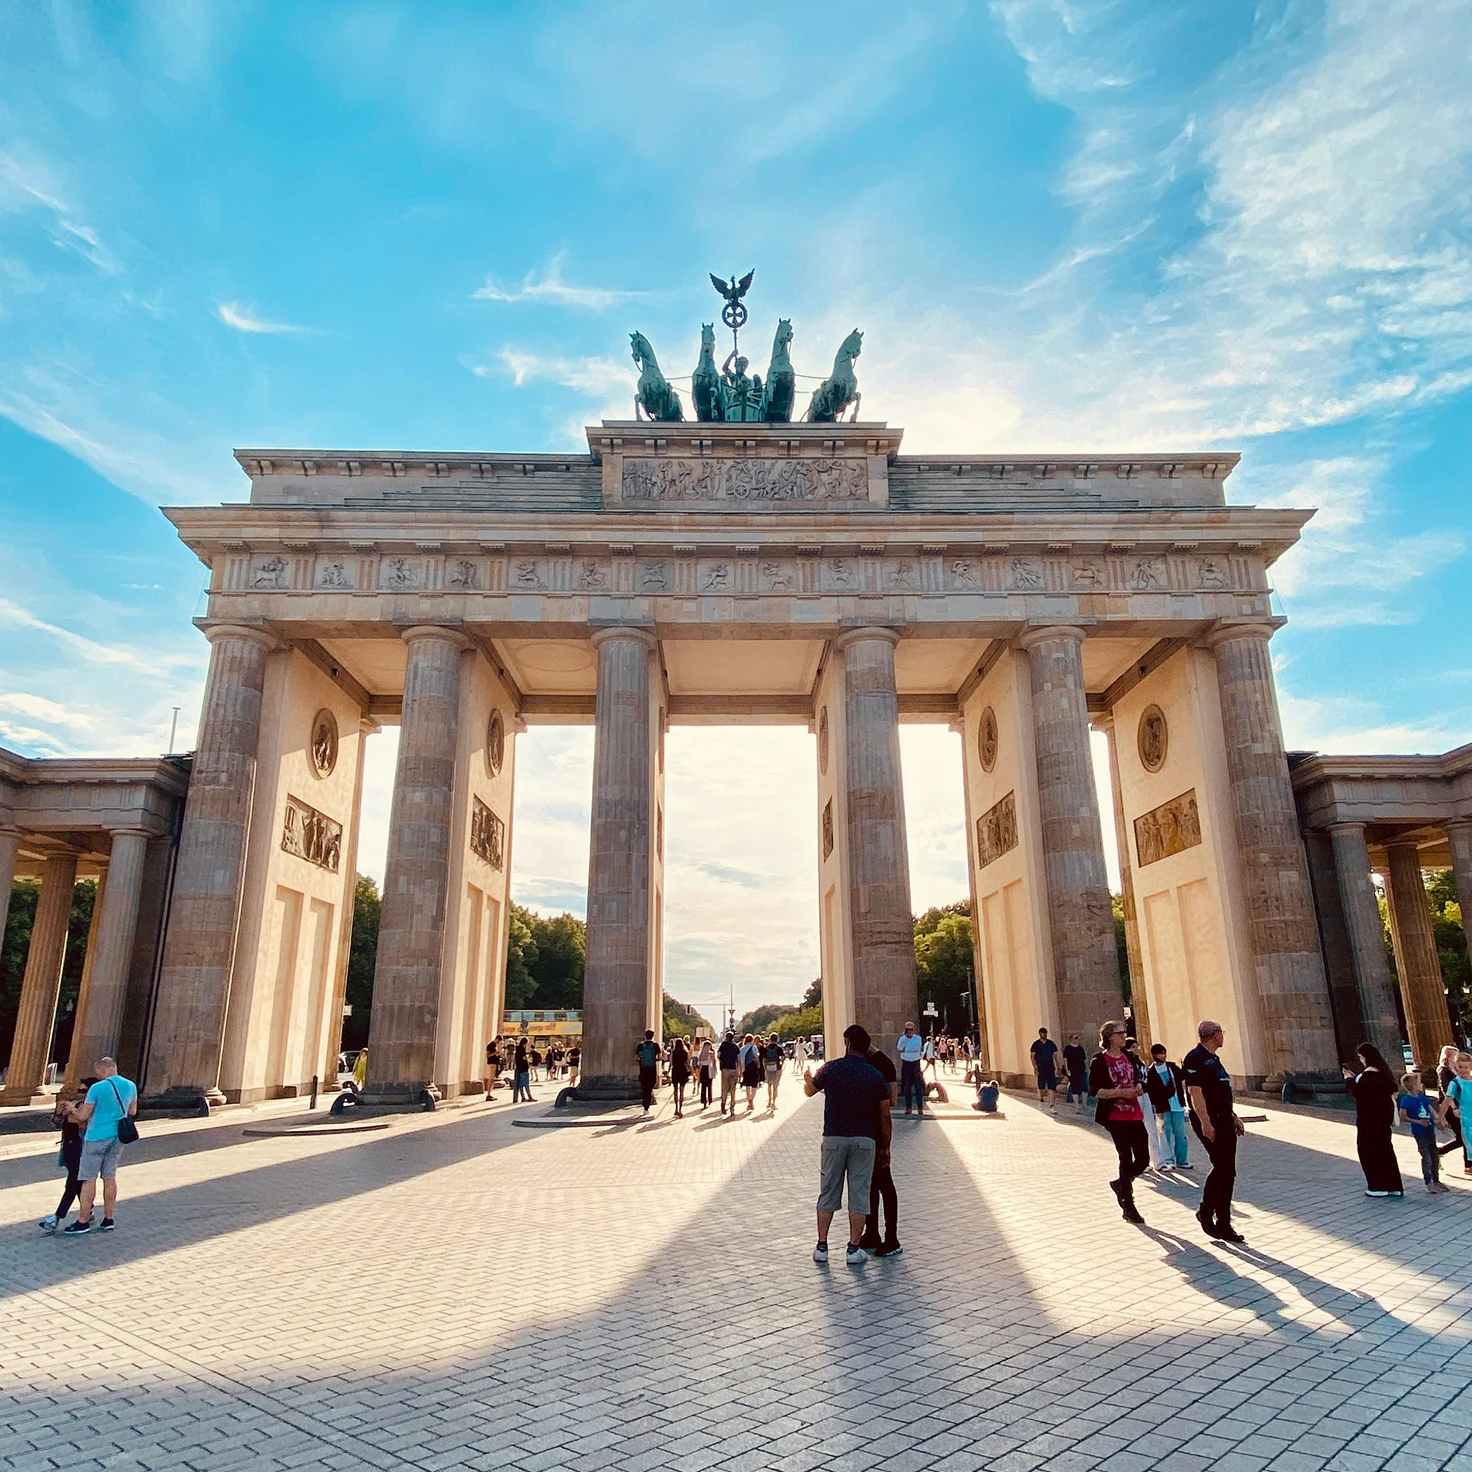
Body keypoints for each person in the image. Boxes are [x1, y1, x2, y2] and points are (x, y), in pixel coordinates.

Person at [803, 1024, 891, 1266]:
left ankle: (822, 1245)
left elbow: (810, 1091)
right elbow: (885, 1115)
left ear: (848, 1044)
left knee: (828, 1190)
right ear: (867, 1047)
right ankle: (853, 1248)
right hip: (865, 1140)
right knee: (860, 1193)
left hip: (834, 1138)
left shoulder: (832, 1068)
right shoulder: (875, 1075)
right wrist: (886, 1148)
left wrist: (809, 1079)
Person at [1183, 1019, 1246, 1241]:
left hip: (1224, 1120)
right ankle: (1209, 1213)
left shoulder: (1214, 1059)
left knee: (1227, 1171)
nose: (1223, 1036)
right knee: (1223, 1168)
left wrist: (1233, 1116)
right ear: (1215, 1034)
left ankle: (1221, 1220)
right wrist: (1205, 1123)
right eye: (1222, 1032)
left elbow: (1220, 1094)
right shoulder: (1195, 1058)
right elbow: (1195, 1093)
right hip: (1210, 1121)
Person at [61, 1058, 137, 1235]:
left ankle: (83, 1221)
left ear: (102, 1071)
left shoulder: (97, 1088)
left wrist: (72, 1108)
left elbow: (83, 1116)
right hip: (117, 1137)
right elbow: (132, 1112)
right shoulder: (130, 1085)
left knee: (89, 1179)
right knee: (110, 1177)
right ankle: (108, 1219)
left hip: (96, 1136)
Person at [1088, 1022, 1149, 1224]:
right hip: (1115, 1116)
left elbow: (1140, 1076)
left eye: (1124, 1033)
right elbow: (1096, 1091)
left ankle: (1120, 1184)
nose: (1124, 1036)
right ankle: (1128, 1205)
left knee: (1143, 1159)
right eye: (1120, 1033)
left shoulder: (1129, 1056)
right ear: (1109, 1037)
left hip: (1134, 1113)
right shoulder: (1099, 1061)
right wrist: (1122, 1093)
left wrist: (1139, 1086)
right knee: (1125, 1156)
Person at [857, 1037, 902, 1258]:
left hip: (878, 1131)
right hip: (867, 1131)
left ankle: (892, 1238)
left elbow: (892, 1100)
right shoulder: (871, 1063)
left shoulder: (883, 1063)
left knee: (884, 1184)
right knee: (870, 1185)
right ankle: (871, 1232)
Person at [1344, 1043, 1404, 1197]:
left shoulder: (1369, 1075)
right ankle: (1394, 1186)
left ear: (1366, 1057)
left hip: (1369, 1118)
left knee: (1369, 1151)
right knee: (1386, 1151)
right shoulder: (1384, 1073)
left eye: (1361, 1056)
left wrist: (1349, 1079)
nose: (1361, 1059)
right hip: (1383, 1118)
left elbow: (1359, 1093)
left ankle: (1377, 1186)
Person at [39, 1076, 97, 1233]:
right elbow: (57, 1123)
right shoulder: (76, 1105)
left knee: (72, 1184)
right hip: (70, 1150)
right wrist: (58, 1112)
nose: (81, 1094)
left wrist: (73, 1112)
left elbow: (85, 1124)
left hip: (84, 1150)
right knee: (76, 1182)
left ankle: (56, 1217)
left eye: (85, 1091)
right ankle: (88, 1210)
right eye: (80, 1090)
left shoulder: (93, 1108)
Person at [1398, 1072, 1448, 1194]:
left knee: (1434, 1155)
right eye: (1419, 1082)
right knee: (1426, 1156)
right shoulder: (1406, 1100)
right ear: (1414, 1085)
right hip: (1419, 1131)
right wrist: (1418, 1122)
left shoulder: (1421, 1097)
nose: (1421, 1084)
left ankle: (1436, 1180)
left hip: (1429, 1129)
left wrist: (1438, 1120)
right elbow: (1403, 1116)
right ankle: (1428, 1181)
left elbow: (1430, 1109)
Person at [1144, 1044, 1192, 1171]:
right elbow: (1151, 1092)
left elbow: (1182, 1076)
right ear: (1154, 1055)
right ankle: (1167, 1160)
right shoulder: (1151, 1072)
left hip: (1177, 1105)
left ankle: (1182, 1160)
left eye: (1164, 1052)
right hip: (1161, 1108)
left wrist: (1184, 1067)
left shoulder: (1171, 1066)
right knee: (1163, 1135)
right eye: (1160, 1053)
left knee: (1180, 1134)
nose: (1163, 1055)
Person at [1126, 1039, 1162, 1169]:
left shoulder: (1141, 1062)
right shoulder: (1127, 1062)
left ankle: (1157, 1161)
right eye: (1133, 1047)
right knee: (1137, 1130)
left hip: (1145, 1095)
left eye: (1137, 1046)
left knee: (1151, 1128)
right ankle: (1139, 1161)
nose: (1137, 1049)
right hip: (1134, 1096)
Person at [1436, 1045, 1471, 1173]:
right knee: (1463, 1137)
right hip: (1452, 1109)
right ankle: (1468, 1165)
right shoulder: (1444, 1070)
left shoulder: (1456, 1070)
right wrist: (1454, 1108)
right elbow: (1446, 1092)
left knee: (1464, 1137)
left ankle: (1440, 1151)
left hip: (1463, 1107)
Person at [896, 1022, 925, 1116]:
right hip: (906, 1062)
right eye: (907, 1030)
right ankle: (908, 1107)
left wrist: (906, 1049)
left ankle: (920, 1107)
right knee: (907, 1086)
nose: (909, 1032)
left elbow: (916, 1048)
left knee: (917, 1086)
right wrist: (906, 1046)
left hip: (915, 1063)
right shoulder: (902, 1038)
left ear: (914, 1030)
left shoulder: (918, 1038)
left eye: (911, 1030)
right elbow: (899, 1047)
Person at [1030, 1027, 1059, 1114]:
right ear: (1040, 1034)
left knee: (1052, 1086)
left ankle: (1052, 1105)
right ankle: (1040, 1098)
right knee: (1041, 1086)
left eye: (1045, 1033)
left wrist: (1058, 1066)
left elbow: (1056, 1055)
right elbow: (1032, 1057)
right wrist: (1035, 1067)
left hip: (1050, 1067)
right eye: (1042, 1033)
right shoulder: (1036, 1044)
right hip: (1041, 1067)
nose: (1044, 1034)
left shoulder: (1051, 1044)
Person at [635, 1030, 661, 1112]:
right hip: (652, 1069)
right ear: (653, 1036)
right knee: (650, 1087)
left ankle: (644, 1104)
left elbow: (636, 1057)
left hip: (643, 1069)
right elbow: (660, 1057)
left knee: (644, 1087)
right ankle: (647, 1106)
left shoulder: (640, 1045)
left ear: (645, 1036)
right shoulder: (655, 1045)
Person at [1062, 1033, 1089, 1114]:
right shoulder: (1068, 1049)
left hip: (1081, 1069)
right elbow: (1065, 1060)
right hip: (1072, 1070)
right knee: (1075, 1088)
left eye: (1078, 1038)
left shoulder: (1080, 1048)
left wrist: (1087, 1068)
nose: (1077, 1039)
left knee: (1084, 1087)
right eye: (1075, 1038)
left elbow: (1085, 1059)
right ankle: (1077, 1106)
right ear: (1071, 1039)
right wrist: (1067, 1070)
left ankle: (1084, 1104)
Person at [718, 1030, 741, 1115]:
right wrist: (740, 1071)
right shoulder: (735, 1047)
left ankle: (723, 1103)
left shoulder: (723, 1045)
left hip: (725, 1069)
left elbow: (718, 1056)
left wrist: (722, 1060)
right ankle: (732, 1107)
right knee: (733, 1089)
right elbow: (739, 1059)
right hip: (733, 1069)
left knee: (725, 1087)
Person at [740, 1034, 763, 1113]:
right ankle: (751, 1100)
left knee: (747, 1086)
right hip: (753, 1068)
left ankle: (749, 1101)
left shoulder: (742, 1049)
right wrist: (759, 1065)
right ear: (752, 1040)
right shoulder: (754, 1047)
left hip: (745, 1069)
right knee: (754, 1085)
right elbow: (756, 1057)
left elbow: (740, 1060)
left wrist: (741, 1070)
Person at [669, 1035, 691, 1118]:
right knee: (682, 1091)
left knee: (675, 1090)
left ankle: (676, 1109)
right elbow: (688, 1061)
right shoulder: (685, 1052)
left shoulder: (673, 1052)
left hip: (675, 1071)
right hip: (683, 1070)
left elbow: (671, 1063)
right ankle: (680, 1109)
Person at [763, 1034, 784, 1111]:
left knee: (769, 1085)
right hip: (777, 1068)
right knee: (775, 1086)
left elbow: (764, 1059)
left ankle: (769, 1100)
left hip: (768, 1068)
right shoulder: (779, 1048)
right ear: (777, 1039)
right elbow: (782, 1058)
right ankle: (774, 1103)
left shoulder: (766, 1048)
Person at [696, 1037, 716, 1109]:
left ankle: (703, 1100)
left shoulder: (701, 1054)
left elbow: (699, 1064)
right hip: (709, 1069)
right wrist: (715, 1070)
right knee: (709, 1085)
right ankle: (710, 1099)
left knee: (703, 1086)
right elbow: (714, 1062)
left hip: (703, 1070)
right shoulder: (711, 1053)